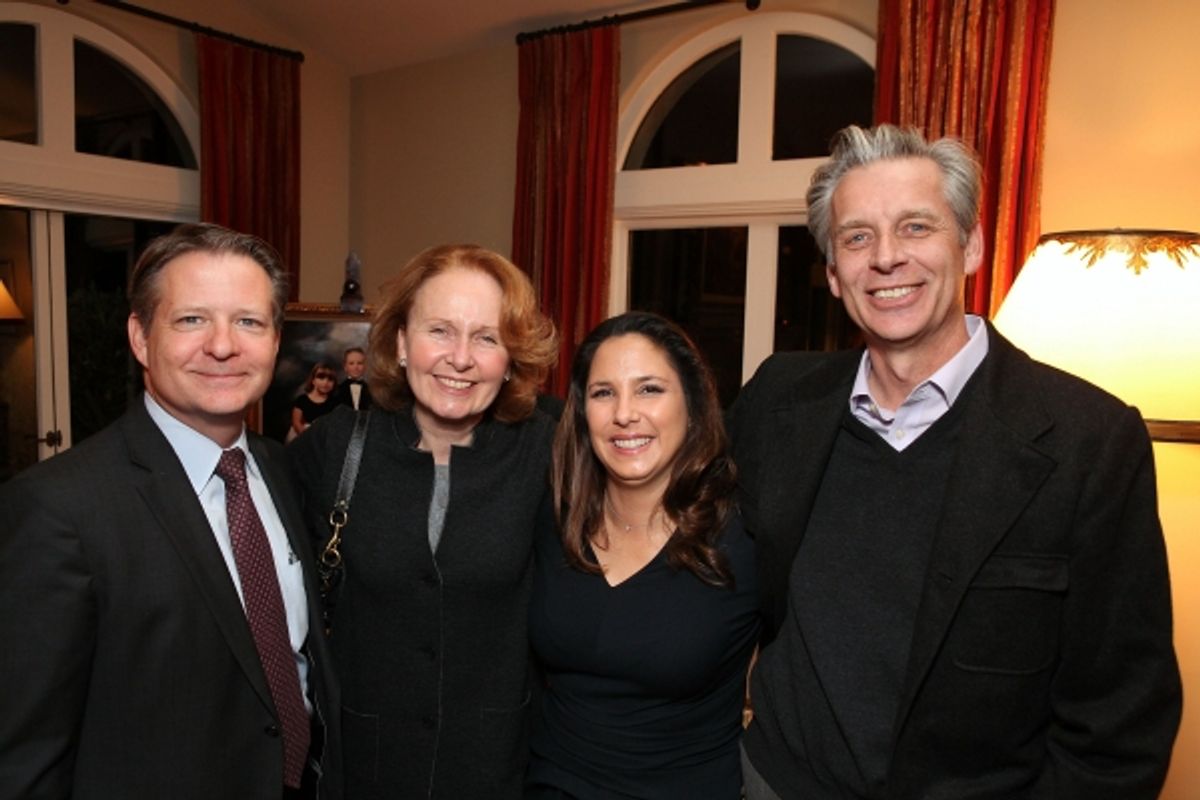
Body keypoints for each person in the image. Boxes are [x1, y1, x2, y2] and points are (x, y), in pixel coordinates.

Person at [730, 124, 1182, 799]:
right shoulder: (777, 401)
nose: (885, 258)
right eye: (856, 237)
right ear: (831, 273)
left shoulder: (1089, 440)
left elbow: (1118, 724)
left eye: (915, 227)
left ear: (969, 245)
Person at [0, 223, 342, 799]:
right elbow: (24, 757)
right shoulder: (58, 508)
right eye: (191, 319)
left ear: (276, 340)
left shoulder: (281, 469)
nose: (223, 345)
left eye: (249, 321)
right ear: (140, 336)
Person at [288, 244, 558, 799]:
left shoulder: (549, 453)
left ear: (510, 358)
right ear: (401, 343)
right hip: (365, 768)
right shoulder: (334, 447)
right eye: (440, 330)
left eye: (486, 337)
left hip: (495, 771)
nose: (460, 358)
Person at [526, 312, 760, 799]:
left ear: (692, 405)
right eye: (603, 392)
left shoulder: (746, 536)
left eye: (650, 389)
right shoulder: (550, 520)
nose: (625, 413)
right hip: (551, 785)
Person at [291, 361, 339, 438]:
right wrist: (306, 437)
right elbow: (296, 423)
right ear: (313, 380)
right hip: (302, 436)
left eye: (330, 379)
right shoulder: (302, 400)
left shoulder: (335, 403)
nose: (325, 382)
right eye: (321, 377)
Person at [330, 346, 372, 411]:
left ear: (365, 366)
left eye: (360, 363)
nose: (356, 367)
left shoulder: (371, 391)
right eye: (351, 363)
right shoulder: (337, 390)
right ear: (345, 367)